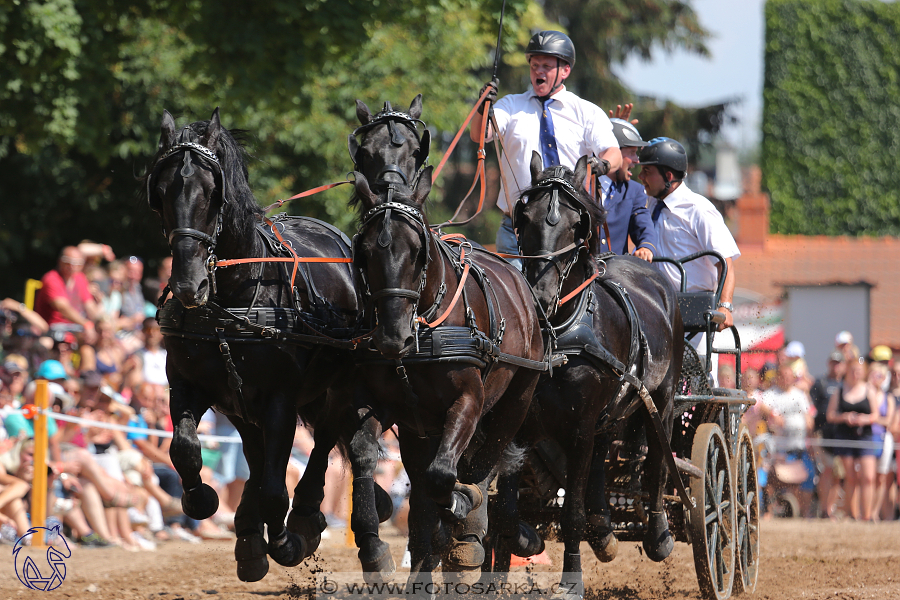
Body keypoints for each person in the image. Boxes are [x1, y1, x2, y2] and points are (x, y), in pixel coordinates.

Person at [469, 30, 622, 265]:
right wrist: (482, 107)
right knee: (515, 301)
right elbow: (480, 136)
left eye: (546, 66)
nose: (539, 71)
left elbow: (614, 154)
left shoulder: (587, 112)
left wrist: (604, 164)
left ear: (565, 70)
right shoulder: (510, 105)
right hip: (519, 227)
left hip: (570, 229)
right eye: (535, 65)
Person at [638, 137, 739, 332]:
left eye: (647, 172)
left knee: (695, 363)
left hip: (694, 313)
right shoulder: (648, 204)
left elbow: (725, 262)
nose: (640, 176)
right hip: (656, 308)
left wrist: (725, 307)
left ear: (668, 176)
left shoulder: (698, 209)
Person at [827, 356, 879, 521]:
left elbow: (876, 415)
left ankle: (868, 515)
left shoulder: (869, 389)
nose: (856, 374)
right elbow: (830, 415)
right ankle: (853, 514)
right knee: (850, 477)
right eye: (853, 371)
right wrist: (845, 417)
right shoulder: (840, 390)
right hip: (845, 436)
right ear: (847, 371)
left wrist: (865, 419)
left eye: (859, 371)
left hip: (865, 436)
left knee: (869, 477)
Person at [596, 118, 657, 260]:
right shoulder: (582, 185)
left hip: (614, 276)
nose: (637, 160)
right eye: (631, 152)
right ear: (612, 152)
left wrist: (646, 247)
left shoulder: (635, 191)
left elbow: (643, 224)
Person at [33, 246, 102, 345]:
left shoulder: (80, 278)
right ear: (60, 261)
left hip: (76, 327)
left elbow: (89, 306)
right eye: (68, 262)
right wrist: (86, 324)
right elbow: (63, 308)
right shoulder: (52, 278)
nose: (72, 266)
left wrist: (100, 322)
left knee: (104, 337)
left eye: (77, 263)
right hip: (52, 329)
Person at [809, 351, 847, 518]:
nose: (836, 366)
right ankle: (823, 509)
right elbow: (811, 410)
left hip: (842, 437)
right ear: (829, 363)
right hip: (823, 436)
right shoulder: (820, 383)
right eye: (833, 362)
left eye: (839, 363)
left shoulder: (846, 385)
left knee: (838, 475)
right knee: (827, 471)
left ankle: (829, 509)